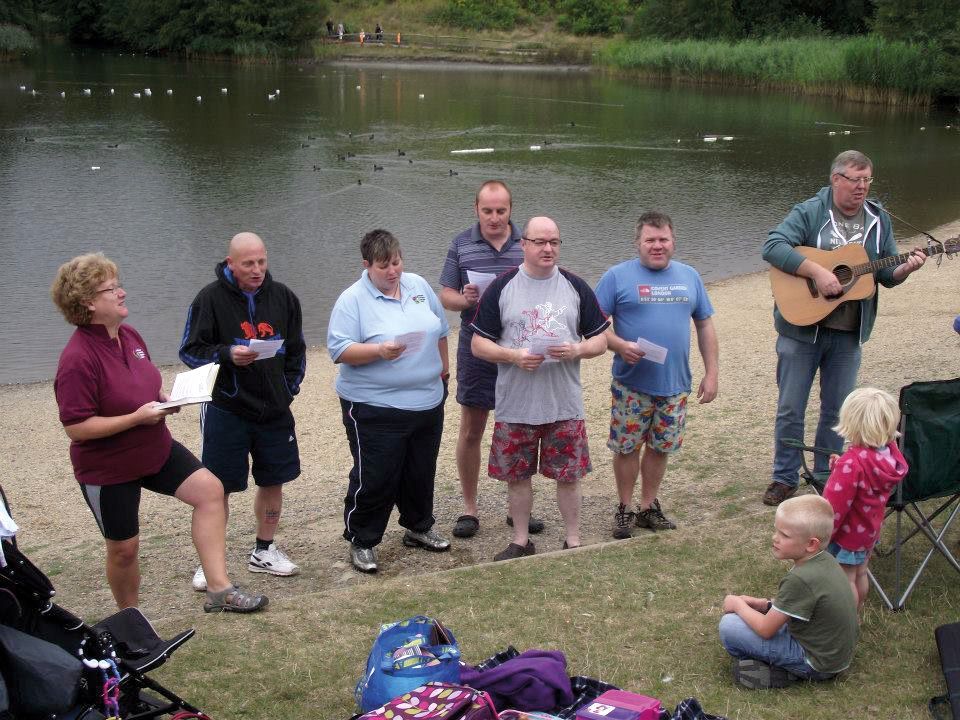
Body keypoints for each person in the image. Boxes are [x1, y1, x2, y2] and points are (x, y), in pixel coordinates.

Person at [52, 253, 267, 613]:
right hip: (108, 467)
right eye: (111, 289)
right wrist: (136, 418)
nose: (121, 293)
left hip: (155, 448)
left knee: (210, 492)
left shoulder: (129, 335)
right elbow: (76, 426)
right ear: (88, 302)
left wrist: (164, 399)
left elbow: (142, 383)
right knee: (124, 549)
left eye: (118, 285)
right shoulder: (77, 358)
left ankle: (219, 589)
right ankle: (130, 618)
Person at [762, 150, 927, 506]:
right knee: (791, 407)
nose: (862, 188)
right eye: (856, 180)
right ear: (836, 179)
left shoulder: (878, 218)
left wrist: (906, 269)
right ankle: (784, 477)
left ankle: (826, 474)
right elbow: (773, 246)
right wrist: (818, 272)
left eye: (867, 180)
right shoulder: (810, 211)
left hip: (849, 333)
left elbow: (884, 273)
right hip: (801, 329)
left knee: (837, 410)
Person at [470, 216, 609, 559]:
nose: (548, 249)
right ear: (524, 244)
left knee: (569, 475)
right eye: (540, 242)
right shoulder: (503, 287)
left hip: (563, 402)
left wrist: (577, 349)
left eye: (554, 242)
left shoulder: (575, 286)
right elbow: (478, 345)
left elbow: (600, 340)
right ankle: (520, 540)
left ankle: (573, 540)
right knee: (517, 477)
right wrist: (512, 355)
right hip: (516, 403)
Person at [180, 232, 306, 591]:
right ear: (230, 263)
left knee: (273, 479)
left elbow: (296, 350)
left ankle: (264, 550)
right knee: (217, 488)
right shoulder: (210, 298)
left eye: (262, 262)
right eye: (248, 264)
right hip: (227, 407)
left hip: (274, 409)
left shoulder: (283, 297)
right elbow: (190, 351)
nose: (257, 270)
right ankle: (211, 561)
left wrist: (289, 389)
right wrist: (227, 354)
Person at [327, 229, 451, 573]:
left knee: (420, 469)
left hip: (427, 400)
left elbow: (441, 330)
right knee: (377, 474)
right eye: (384, 266)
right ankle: (363, 539)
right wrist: (379, 350)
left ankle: (418, 526)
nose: (393, 271)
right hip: (373, 404)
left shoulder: (418, 286)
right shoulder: (352, 300)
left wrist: (444, 373)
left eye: (396, 262)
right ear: (367, 265)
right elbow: (339, 351)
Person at [594, 211, 719, 538]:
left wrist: (712, 373)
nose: (657, 245)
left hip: (675, 385)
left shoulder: (689, 276)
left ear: (673, 241)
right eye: (650, 240)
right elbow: (593, 327)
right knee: (626, 448)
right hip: (631, 385)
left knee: (661, 448)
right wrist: (619, 345)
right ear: (638, 243)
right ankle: (625, 507)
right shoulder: (616, 277)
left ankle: (648, 506)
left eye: (663, 239)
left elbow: (704, 325)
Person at [439, 180, 543, 540]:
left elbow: (546, 282)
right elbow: (445, 297)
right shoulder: (461, 244)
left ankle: (520, 510)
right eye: (488, 211)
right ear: (476, 209)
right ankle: (470, 508)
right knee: (472, 429)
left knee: (521, 429)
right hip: (477, 346)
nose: (495, 218)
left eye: (501, 210)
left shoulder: (528, 242)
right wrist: (464, 300)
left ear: (511, 210)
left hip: (519, 348)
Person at [719, 495, 858, 689]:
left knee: (729, 627)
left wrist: (737, 604)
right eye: (776, 530)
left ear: (811, 544)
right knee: (749, 616)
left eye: (784, 535)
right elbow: (804, 603)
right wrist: (764, 604)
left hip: (817, 663)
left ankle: (788, 673)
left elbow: (766, 630)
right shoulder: (825, 560)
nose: (775, 538)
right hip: (834, 656)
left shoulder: (800, 578)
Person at [822, 387, 907, 609]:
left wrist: (822, 533)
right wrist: (840, 465)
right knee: (861, 573)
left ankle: (850, 619)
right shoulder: (889, 454)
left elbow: (834, 506)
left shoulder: (852, 463)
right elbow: (864, 481)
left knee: (846, 578)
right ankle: (858, 608)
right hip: (869, 530)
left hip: (848, 535)